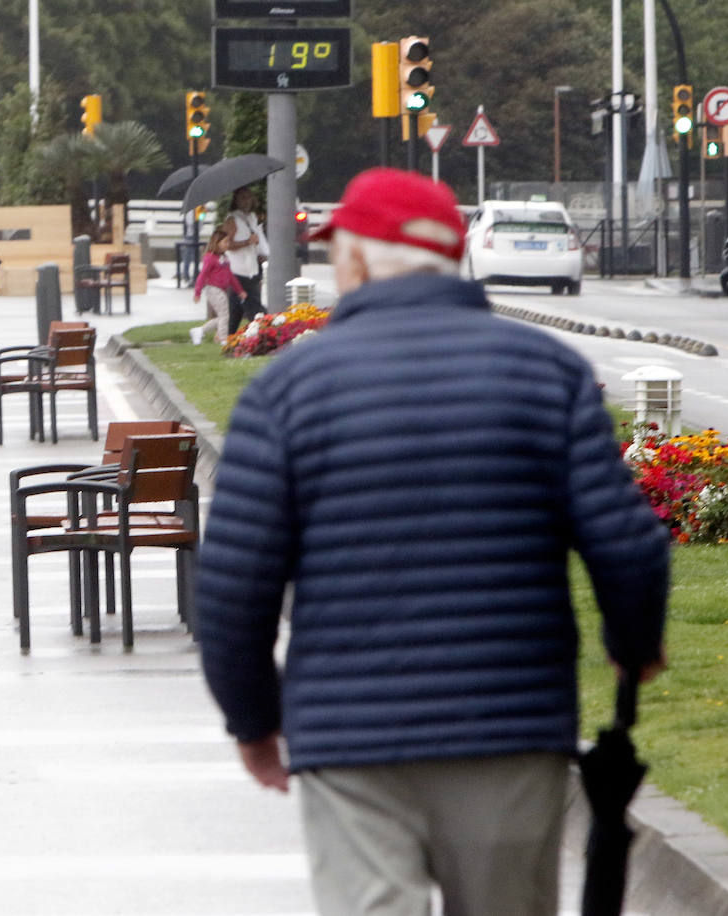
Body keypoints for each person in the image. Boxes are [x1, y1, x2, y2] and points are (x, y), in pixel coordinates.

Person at [195, 167, 669, 916]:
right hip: (511, 726)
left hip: (349, 739)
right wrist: (634, 644)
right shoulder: (545, 374)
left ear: (354, 262)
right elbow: (630, 546)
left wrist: (254, 720)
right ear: (454, 256)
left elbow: (232, 586)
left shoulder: (288, 393)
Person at [221, 185, 269, 335]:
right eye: (242, 197)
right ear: (236, 200)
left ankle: (229, 336)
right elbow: (225, 244)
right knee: (254, 307)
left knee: (235, 309)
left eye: (248, 197)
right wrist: (247, 242)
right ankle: (267, 331)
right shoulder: (232, 220)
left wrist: (258, 251)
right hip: (238, 271)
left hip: (252, 269)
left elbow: (257, 241)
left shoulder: (251, 218)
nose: (246, 200)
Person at [189, 225, 245, 346]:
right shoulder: (210, 258)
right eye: (225, 242)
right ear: (217, 243)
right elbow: (202, 275)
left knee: (223, 317)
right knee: (225, 315)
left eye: (228, 242)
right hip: (213, 289)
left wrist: (239, 290)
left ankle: (199, 331)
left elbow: (230, 276)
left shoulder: (224, 258)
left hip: (222, 289)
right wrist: (197, 292)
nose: (228, 244)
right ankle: (223, 339)